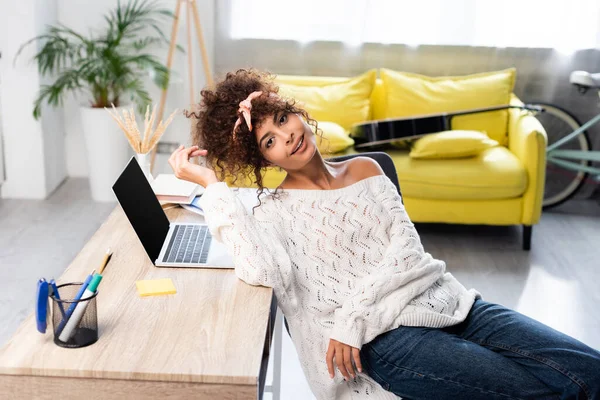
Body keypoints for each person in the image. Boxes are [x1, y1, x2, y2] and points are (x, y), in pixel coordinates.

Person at [169, 69, 600, 400]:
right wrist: (213, 187)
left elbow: (408, 252)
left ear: (297, 111)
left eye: (284, 118)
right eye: (269, 140)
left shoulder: (367, 169)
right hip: (384, 341)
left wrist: (353, 316)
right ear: (262, 159)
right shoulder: (271, 213)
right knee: (550, 392)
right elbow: (263, 270)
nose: (289, 135)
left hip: (450, 303)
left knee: (589, 372)